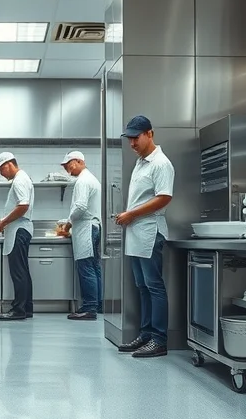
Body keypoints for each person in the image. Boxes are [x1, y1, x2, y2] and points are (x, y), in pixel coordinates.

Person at [114, 115, 174, 359]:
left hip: (150, 232)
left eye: (135, 137)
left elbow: (164, 197)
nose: (132, 143)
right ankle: (146, 334)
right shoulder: (142, 162)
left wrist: (131, 214)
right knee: (142, 287)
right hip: (136, 232)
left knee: (154, 286)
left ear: (150, 133)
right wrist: (129, 216)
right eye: (129, 139)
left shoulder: (161, 163)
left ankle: (159, 339)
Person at [58, 151, 103, 321]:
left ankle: (90, 308)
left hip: (86, 228)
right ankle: (97, 304)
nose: (66, 169)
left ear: (78, 161)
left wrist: (68, 224)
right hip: (93, 226)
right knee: (94, 267)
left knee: (86, 268)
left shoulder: (83, 181)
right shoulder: (91, 179)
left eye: (68, 165)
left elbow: (81, 207)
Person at [0, 152, 35, 321]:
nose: (1, 174)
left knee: (18, 272)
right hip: (22, 229)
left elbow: (23, 206)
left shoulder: (19, 180)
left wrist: (3, 222)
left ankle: (18, 310)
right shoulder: (23, 178)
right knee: (23, 271)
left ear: (8, 164)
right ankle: (26, 308)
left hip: (19, 230)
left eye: (0, 170)